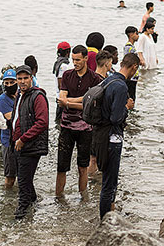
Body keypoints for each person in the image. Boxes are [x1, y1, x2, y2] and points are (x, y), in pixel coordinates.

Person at [93, 53, 139, 218]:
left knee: (107, 180)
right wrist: (127, 106)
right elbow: (116, 118)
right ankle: (105, 223)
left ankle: (108, 216)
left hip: (100, 135)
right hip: (112, 138)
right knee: (109, 184)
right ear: (134, 67)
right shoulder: (120, 86)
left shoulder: (108, 79)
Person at [55, 45, 102, 198]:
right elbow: (62, 98)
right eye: (73, 60)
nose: (75, 63)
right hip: (66, 127)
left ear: (86, 58)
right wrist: (78, 102)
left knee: (83, 166)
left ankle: (83, 197)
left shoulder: (94, 78)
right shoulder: (68, 75)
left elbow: (88, 103)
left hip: (85, 128)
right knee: (61, 167)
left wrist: (68, 103)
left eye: (78, 60)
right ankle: (59, 197)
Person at [12, 65, 49, 219]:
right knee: (25, 177)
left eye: (25, 78)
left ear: (32, 78)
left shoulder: (37, 96)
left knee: (23, 180)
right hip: (18, 144)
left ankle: (21, 213)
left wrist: (23, 139)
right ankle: (34, 201)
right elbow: (17, 119)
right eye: (19, 79)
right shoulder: (20, 95)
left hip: (30, 145)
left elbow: (42, 122)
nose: (22, 81)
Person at [0, 68, 19, 189]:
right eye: (6, 83)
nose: (9, 85)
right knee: (10, 176)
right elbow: (11, 117)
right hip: (8, 140)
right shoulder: (3, 99)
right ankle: (8, 195)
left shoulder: (21, 95)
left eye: (12, 82)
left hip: (21, 139)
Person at [123, 26, 145, 101]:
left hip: (133, 76)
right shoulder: (129, 47)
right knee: (131, 97)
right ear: (131, 34)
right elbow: (129, 61)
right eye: (136, 33)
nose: (138, 36)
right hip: (131, 77)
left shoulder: (131, 47)